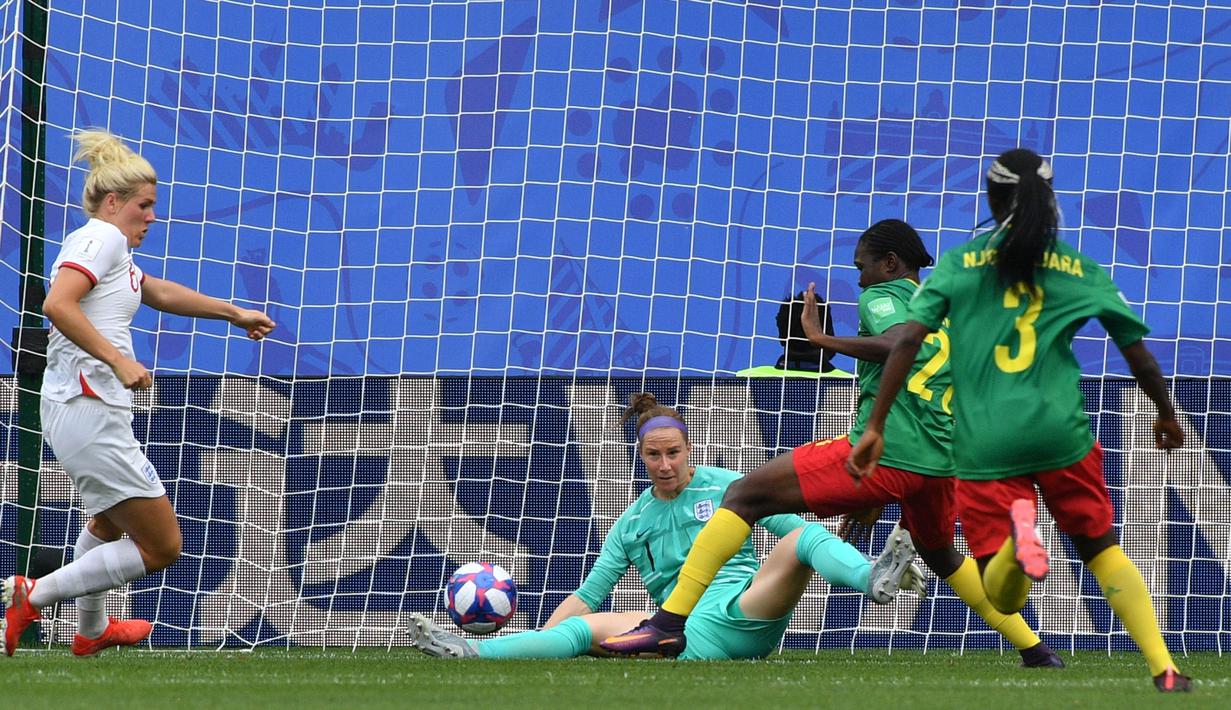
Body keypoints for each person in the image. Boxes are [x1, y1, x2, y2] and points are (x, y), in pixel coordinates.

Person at [602, 219, 1061, 669]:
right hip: (937, 462)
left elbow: (899, 341)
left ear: (889, 262)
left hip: (889, 453)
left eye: (861, 266)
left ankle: (667, 623)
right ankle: (1036, 650)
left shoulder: (882, 295)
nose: (858, 277)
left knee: (741, 496)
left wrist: (822, 339)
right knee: (940, 553)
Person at [846, 150, 1190, 692]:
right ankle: (1164, 667)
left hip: (986, 438)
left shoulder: (961, 264)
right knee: (1100, 547)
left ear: (990, 198)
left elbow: (906, 340)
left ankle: (1015, 543)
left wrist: (875, 425)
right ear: (1049, 200)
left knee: (1002, 590)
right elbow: (1138, 352)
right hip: (1060, 430)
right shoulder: (1077, 267)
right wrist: (1167, 416)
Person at [1, 129, 275, 656]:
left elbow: (157, 291)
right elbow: (57, 305)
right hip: (88, 406)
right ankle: (33, 595)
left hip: (85, 409)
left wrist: (232, 312)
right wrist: (119, 358)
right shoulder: (99, 239)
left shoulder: (112, 250)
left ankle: (91, 631)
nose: (152, 216)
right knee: (162, 545)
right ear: (113, 202)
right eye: (144, 205)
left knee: (106, 523)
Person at [406, 392, 925, 660]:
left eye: (672, 453)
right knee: (582, 629)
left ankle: (872, 577)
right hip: (675, 632)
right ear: (641, 456)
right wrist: (546, 638)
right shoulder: (632, 521)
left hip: (744, 609)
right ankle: (474, 649)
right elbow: (590, 594)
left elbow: (792, 523)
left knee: (801, 536)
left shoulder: (728, 486)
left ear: (688, 449)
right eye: (653, 455)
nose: (664, 464)